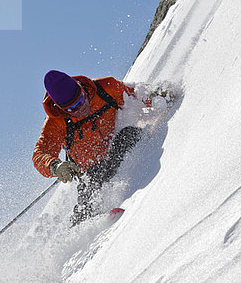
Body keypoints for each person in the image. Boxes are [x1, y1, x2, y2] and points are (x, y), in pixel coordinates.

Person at [33, 70, 154, 225]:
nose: (80, 108)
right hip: (90, 169)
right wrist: (55, 166)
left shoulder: (105, 88)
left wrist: (157, 96)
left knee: (129, 134)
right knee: (90, 195)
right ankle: (81, 227)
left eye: (81, 100)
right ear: (62, 109)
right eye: (72, 109)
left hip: (116, 147)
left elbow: (135, 95)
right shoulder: (56, 123)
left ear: (82, 89)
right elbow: (40, 153)